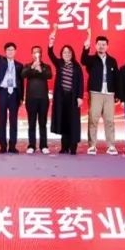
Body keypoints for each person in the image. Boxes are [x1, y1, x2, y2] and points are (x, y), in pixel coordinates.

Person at [81, 30, 120, 155]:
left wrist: (118, 94)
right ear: (95, 45)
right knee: (93, 119)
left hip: (109, 93)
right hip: (95, 92)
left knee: (109, 120)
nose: (101, 46)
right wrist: (86, 45)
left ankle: (111, 145)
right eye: (99, 44)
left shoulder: (112, 61)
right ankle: (92, 145)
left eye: (104, 44)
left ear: (107, 46)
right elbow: (83, 60)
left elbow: (116, 78)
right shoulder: (91, 60)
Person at [0, 30, 24, 154]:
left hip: (14, 94)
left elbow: (21, 82)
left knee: (13, 121)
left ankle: (12, 146)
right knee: (2, 120)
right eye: (8, 50)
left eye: (12, 50)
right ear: (5, 51)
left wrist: (21, 97)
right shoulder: (0, 60)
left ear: (15, 51)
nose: (10, 52)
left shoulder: (19, 65)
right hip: (2, 92)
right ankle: (3, 146)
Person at [48, 27, 83, 155]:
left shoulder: (77, 66)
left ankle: (73, 147)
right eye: (64, 52)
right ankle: (64, 147)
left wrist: (80, 97)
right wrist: (51, 41)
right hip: (62, 98)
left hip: (73, 98)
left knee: (73, 122)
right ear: (62, 54)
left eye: (68, 52)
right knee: (63, 121)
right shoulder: (59, 63)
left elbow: (80, 82)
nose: (66, 54)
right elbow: (50, 54)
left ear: (72, 54)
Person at [22, 45, 53, 154]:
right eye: (34, 52)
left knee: (42, 123)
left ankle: (43, 145)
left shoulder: (46, 66)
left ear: (41, 54)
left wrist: (40, 69)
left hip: (43, 99)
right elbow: (23, 74)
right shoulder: (27, 66)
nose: (36, 54)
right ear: (32, 54)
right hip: (31, 99)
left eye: (38, 52)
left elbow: (49, 75)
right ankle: (31, 145)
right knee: (31, 123)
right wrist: (32, 67)